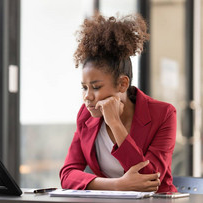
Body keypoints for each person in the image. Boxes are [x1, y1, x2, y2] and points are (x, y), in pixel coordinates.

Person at [59, 13, 177, 193]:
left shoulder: (163, 114)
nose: (87, 97)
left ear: (122, 84)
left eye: (96, 87)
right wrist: (117, 185)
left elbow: (150, 180)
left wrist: (115, 124)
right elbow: (68, 174)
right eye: (84, 87)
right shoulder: (85, 115)